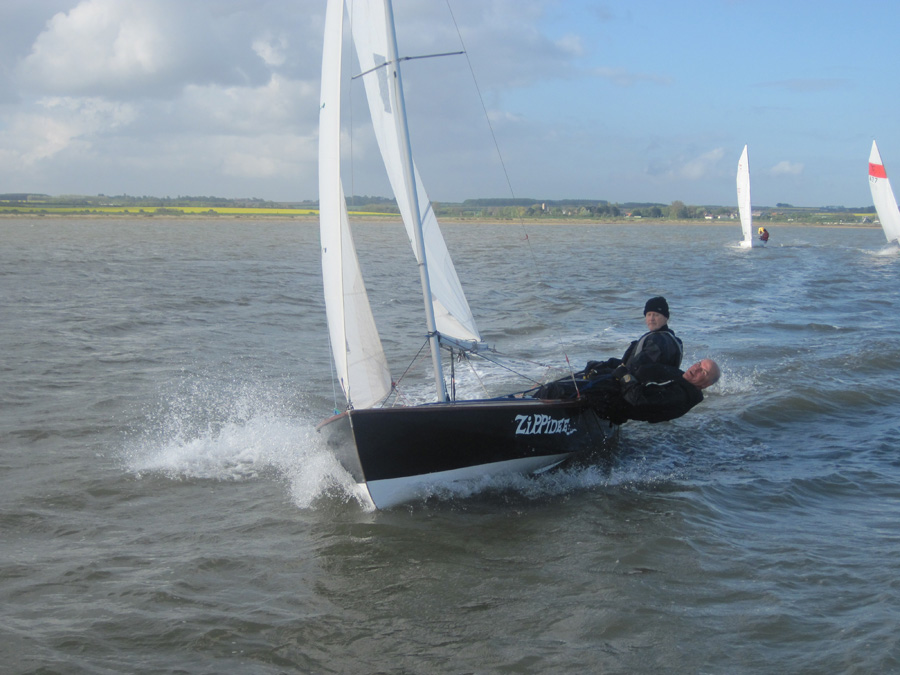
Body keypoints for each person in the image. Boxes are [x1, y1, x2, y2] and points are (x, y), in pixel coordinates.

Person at [581, 296, 683, 378]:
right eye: (648, 314)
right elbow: (632, 365)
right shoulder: (672, 338)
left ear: (666, 317)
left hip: (643, 388)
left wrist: (605, 371)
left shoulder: (657, 340)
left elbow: (637, 369)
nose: (651, 319)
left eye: (656, 315)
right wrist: (610, 363)